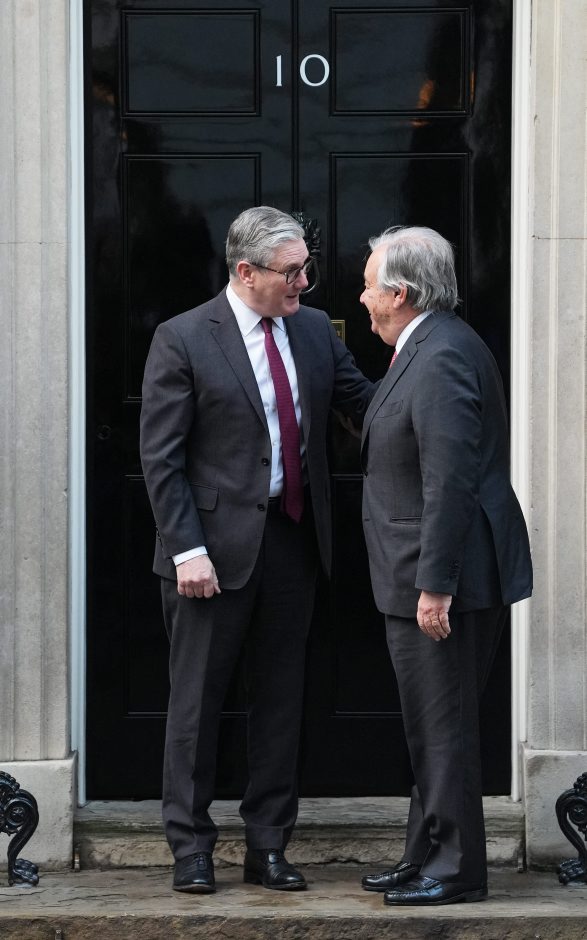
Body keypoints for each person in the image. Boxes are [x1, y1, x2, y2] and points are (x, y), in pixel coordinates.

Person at [140, 206, 373, 895]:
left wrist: (435, 376)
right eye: (291, 271)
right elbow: (161, 458)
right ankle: (190, 848)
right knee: (196, 704)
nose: (304, 282)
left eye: (306, 269)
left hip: (293, 541)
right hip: (208, 552)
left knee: (280, 702)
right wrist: (186, 549)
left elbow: (367, 406)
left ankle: (268, 846)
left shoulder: (313, 330)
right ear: (246, 271)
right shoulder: (183, 337)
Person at [358, 226, 532, 906]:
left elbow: (449, 481)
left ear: (399, 293)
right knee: (429, 728)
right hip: (421, 574)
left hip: (443, 581)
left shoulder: (441, 355)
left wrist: (435, 585)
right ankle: (425, 853)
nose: (363, 299)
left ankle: (456, 870)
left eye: (369, 287)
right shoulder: (425, 345)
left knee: (444, 728)